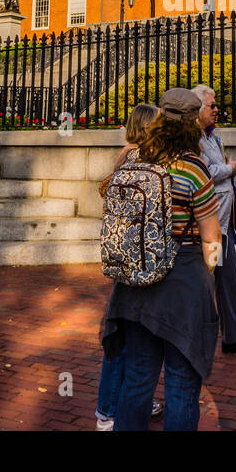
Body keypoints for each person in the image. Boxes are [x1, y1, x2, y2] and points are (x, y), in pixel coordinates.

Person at [100, 89, 223, 431]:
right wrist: (209, 275)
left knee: (138, 377)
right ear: (191, 123)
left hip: (135, 282)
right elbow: (212, 236)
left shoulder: (134, 158)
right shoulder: (194, 166)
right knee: (182, 384)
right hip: (182, 283)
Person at [95, 103, 163, 430]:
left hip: (122, 255)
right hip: (136, 259)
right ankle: (108, 412)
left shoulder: (125, 155)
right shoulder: (140, 158)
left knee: (125, 335)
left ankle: (129, 401)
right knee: (124, 340)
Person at [192, 84, 236, 357]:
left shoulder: (214, 138)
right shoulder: (194, 140)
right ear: (198, 110)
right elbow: (204, 172)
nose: (216, 109)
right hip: (210, 225)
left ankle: (232, 337)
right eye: (212, 105)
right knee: (207, 284)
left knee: (228, 280)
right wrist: (230, 168)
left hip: (225, 223)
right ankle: (199, 337)